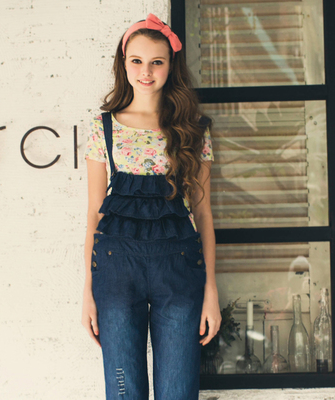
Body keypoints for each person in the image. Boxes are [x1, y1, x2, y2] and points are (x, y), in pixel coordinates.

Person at [81, 13, 221, 400]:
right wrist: (88, 291)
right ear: (123, 64)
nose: (146, 71)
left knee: (178, 391)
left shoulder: (193, 128)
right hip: (114, 270)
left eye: (156, 62)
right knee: (123, 390)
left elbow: (203, 214)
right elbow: (94, 213)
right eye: (137, 61)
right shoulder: (103, 127)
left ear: (170, 66)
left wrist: (211, 291)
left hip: (178, 268)